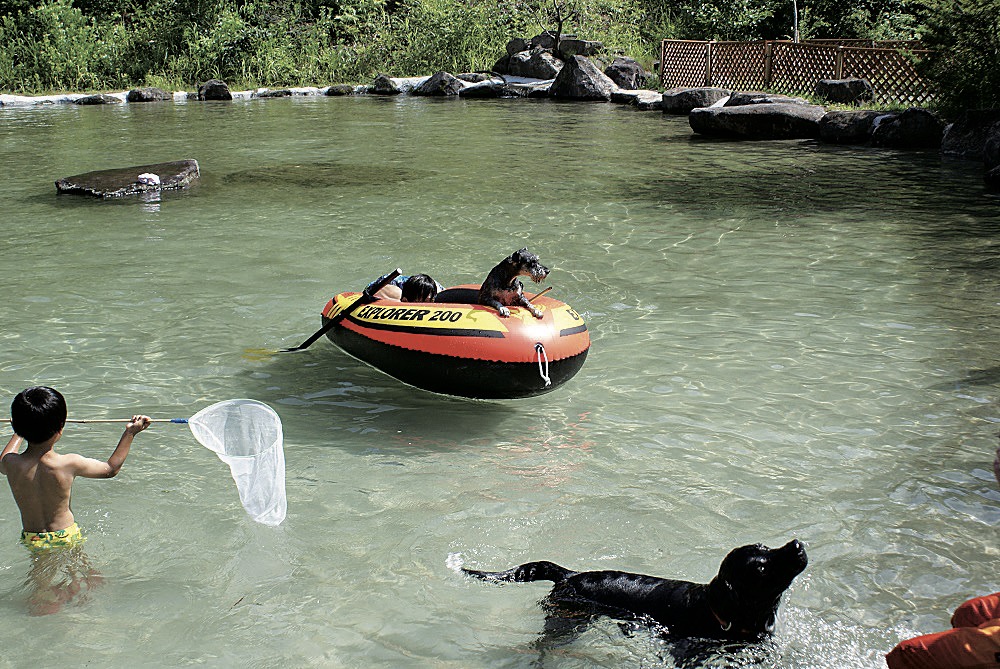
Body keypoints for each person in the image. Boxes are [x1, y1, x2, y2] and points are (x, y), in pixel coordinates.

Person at [2, 386, 151, 612]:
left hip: (33, 537)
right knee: (79, 565)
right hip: (66, 534)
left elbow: (4, 457)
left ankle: (43, 599)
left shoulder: (11, 464)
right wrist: (130, 433)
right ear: (60, 428)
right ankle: (85, 588)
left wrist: (18, 432)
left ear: (15, 425)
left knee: (40, 576)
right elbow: (110, 469)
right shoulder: (67, 463)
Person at [368, 273, 444, 302]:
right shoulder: (395, 292)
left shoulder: (438, 290)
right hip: (389, 282)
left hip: (423, 284)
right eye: (423, 302)